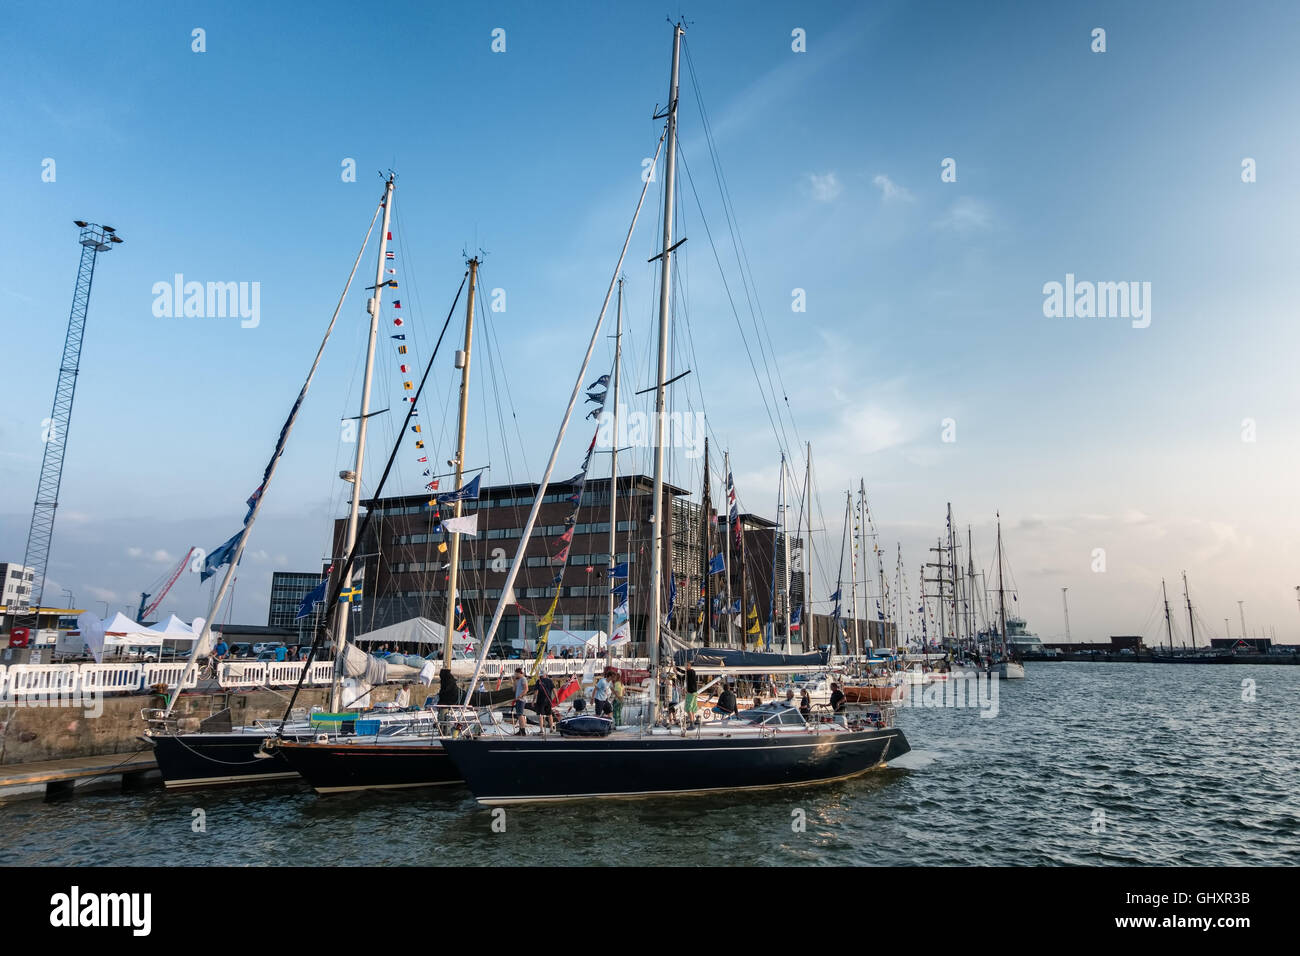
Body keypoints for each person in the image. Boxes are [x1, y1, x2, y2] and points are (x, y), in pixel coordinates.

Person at [512, 667, 529, 735]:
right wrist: (514, 681)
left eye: (516, 674)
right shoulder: (518, 680)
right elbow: (514, 690)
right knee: (519, 715)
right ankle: (520, 729)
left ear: (519, 673)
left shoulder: (523, 679)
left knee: (520, 714)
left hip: (521, 699)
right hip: (517, 699)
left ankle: (523, 730)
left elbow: (526, 689)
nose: (515, 675)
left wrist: (520, 696)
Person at [683, 661, 699, 728]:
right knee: (692, 708)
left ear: (689, 666)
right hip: (694, 692)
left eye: (686, 666)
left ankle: (692, 724)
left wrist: (676, 671)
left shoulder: (689, 672)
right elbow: (684, 674)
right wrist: (677, 669)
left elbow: (682, 677)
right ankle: (693, 722)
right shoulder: (692, 672)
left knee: (688, 708)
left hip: (691, 693)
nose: (685, 667)